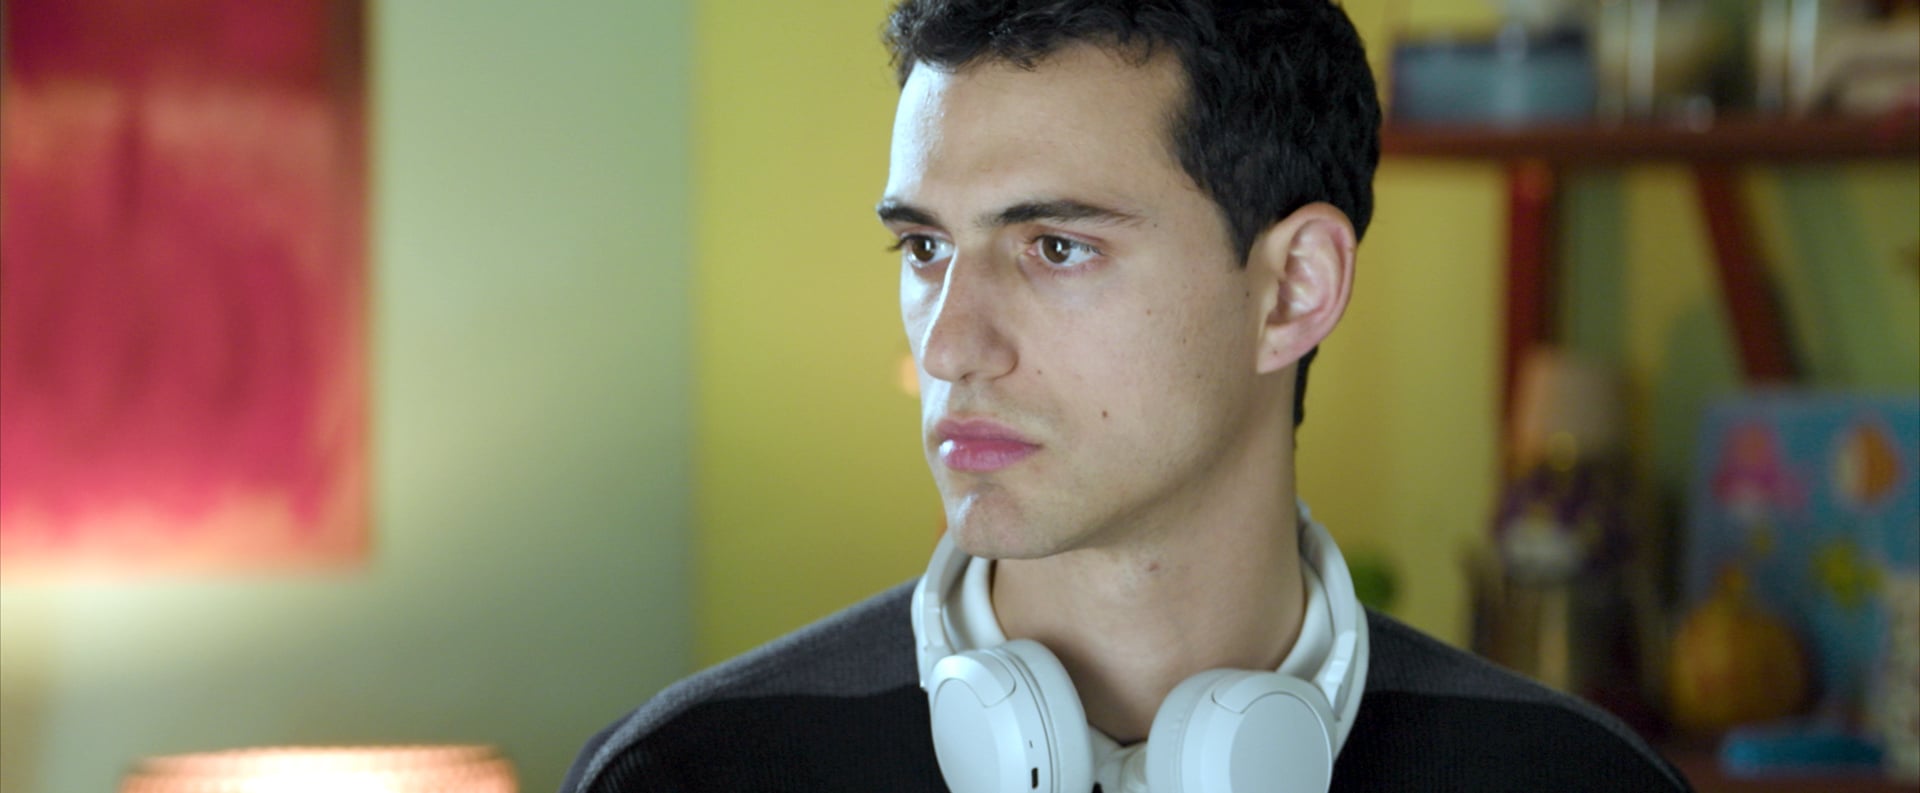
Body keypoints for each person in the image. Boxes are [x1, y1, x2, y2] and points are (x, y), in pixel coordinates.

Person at [561, 1, 1692, 791]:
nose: (950, 344)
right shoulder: (692, 772)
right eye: (924, 249)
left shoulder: (1573, 781)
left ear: (1293, 288)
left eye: (1055, 247)